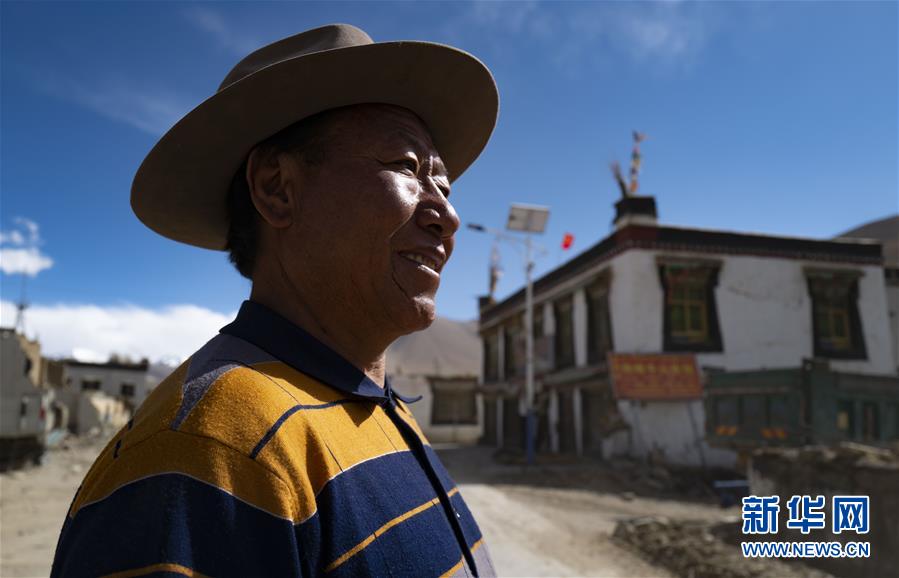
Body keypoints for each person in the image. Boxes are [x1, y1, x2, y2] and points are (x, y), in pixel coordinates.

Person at [51, 23, 499, 578]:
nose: (447, 216)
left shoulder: (375, 406)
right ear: (277, 188)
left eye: (445, 186)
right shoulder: (209, 448)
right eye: (407, 167)